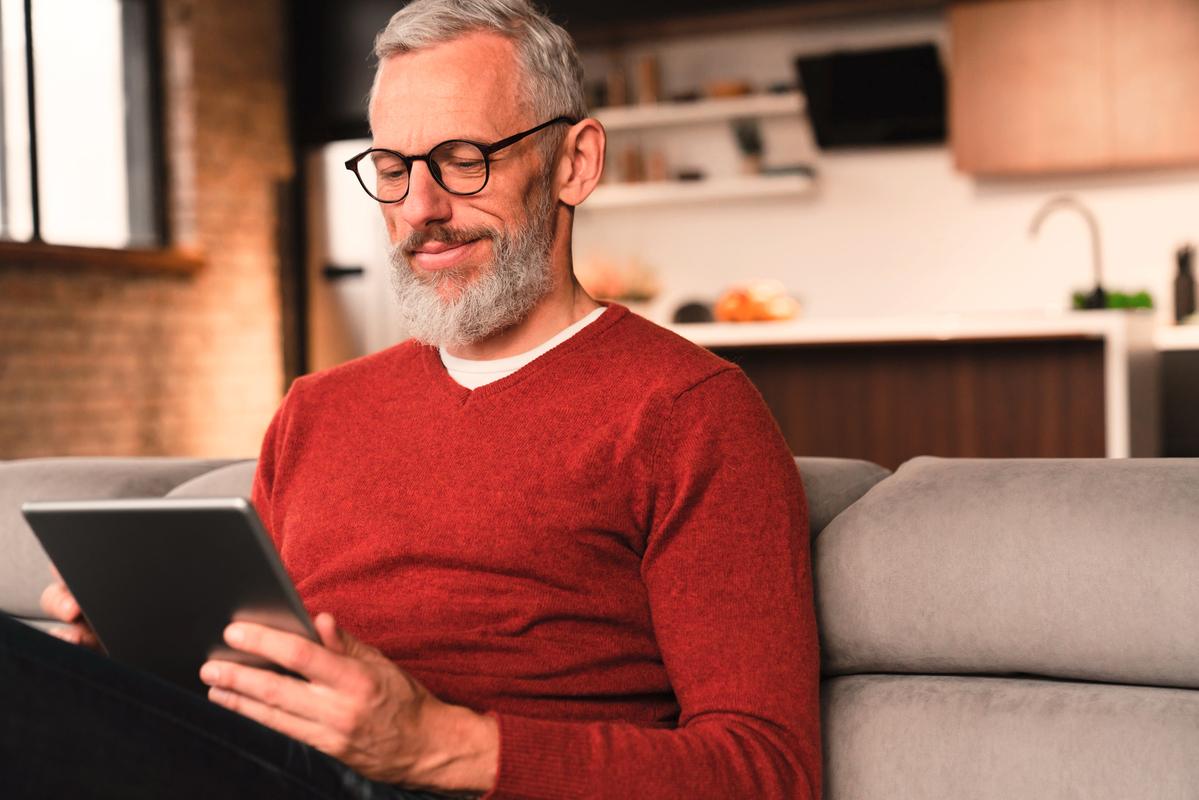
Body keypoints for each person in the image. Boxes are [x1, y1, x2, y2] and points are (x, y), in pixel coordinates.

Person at [16, 0, 821, 797]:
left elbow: (769, 773)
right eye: (393, 169)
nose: (419, 209)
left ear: (574, 163)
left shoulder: (689, 411)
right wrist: (138, 672)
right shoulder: (318, 410)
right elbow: (258, 676)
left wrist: (438, 746)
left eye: (463, 160)